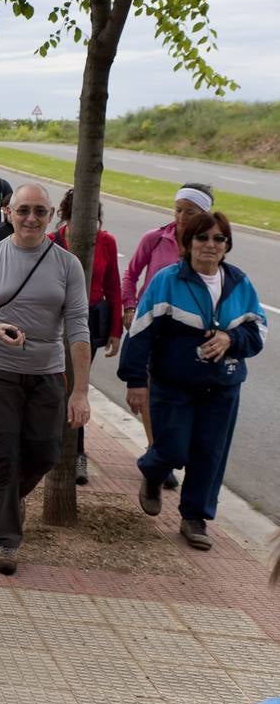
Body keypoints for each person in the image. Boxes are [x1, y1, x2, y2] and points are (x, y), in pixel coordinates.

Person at [0, 183, 91, 575]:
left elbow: (78, 328)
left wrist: (80, 391)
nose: (31, 218)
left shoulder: (67, 265)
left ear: (51, 217)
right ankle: (6, 540)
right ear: (8, 213)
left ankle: (7, 501)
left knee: (46, 451)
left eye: (40, 212)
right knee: (1, 448)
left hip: (48, 372)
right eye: (23, 210)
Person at [118, 211, 264, 550]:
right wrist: (135, 380)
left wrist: (230, 339)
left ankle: (194, 517)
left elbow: (257, 334)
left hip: (223, 386)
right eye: (203, 238)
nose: (210, 245)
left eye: (219, 239)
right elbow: (140, 333)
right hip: (174, 384)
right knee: (171, 447)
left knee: (209, 453)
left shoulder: (240, 284)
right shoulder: (168, 281)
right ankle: (153, 472)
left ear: (227, 245)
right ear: (188, 242)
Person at [121, 183, 217, 491]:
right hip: (152, 324)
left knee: (176, 393)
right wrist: (130, 306)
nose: (181, 217)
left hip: (186, 333)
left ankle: (167, 450)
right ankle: (155, 450)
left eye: (190, 212)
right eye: (178, 209)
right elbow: (132, 274)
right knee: (148, 388)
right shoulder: (155, 238)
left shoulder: (207, 245)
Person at [50, 189, 123, 485]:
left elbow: (114, 287)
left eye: (93, 216)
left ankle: (77, 452)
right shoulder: (53, 242)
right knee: (55, 385)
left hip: (90, 319)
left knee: (77, 386)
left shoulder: (106, 242)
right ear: (67, 216)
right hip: (54, 320)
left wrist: (116, 330)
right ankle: (52, 447)